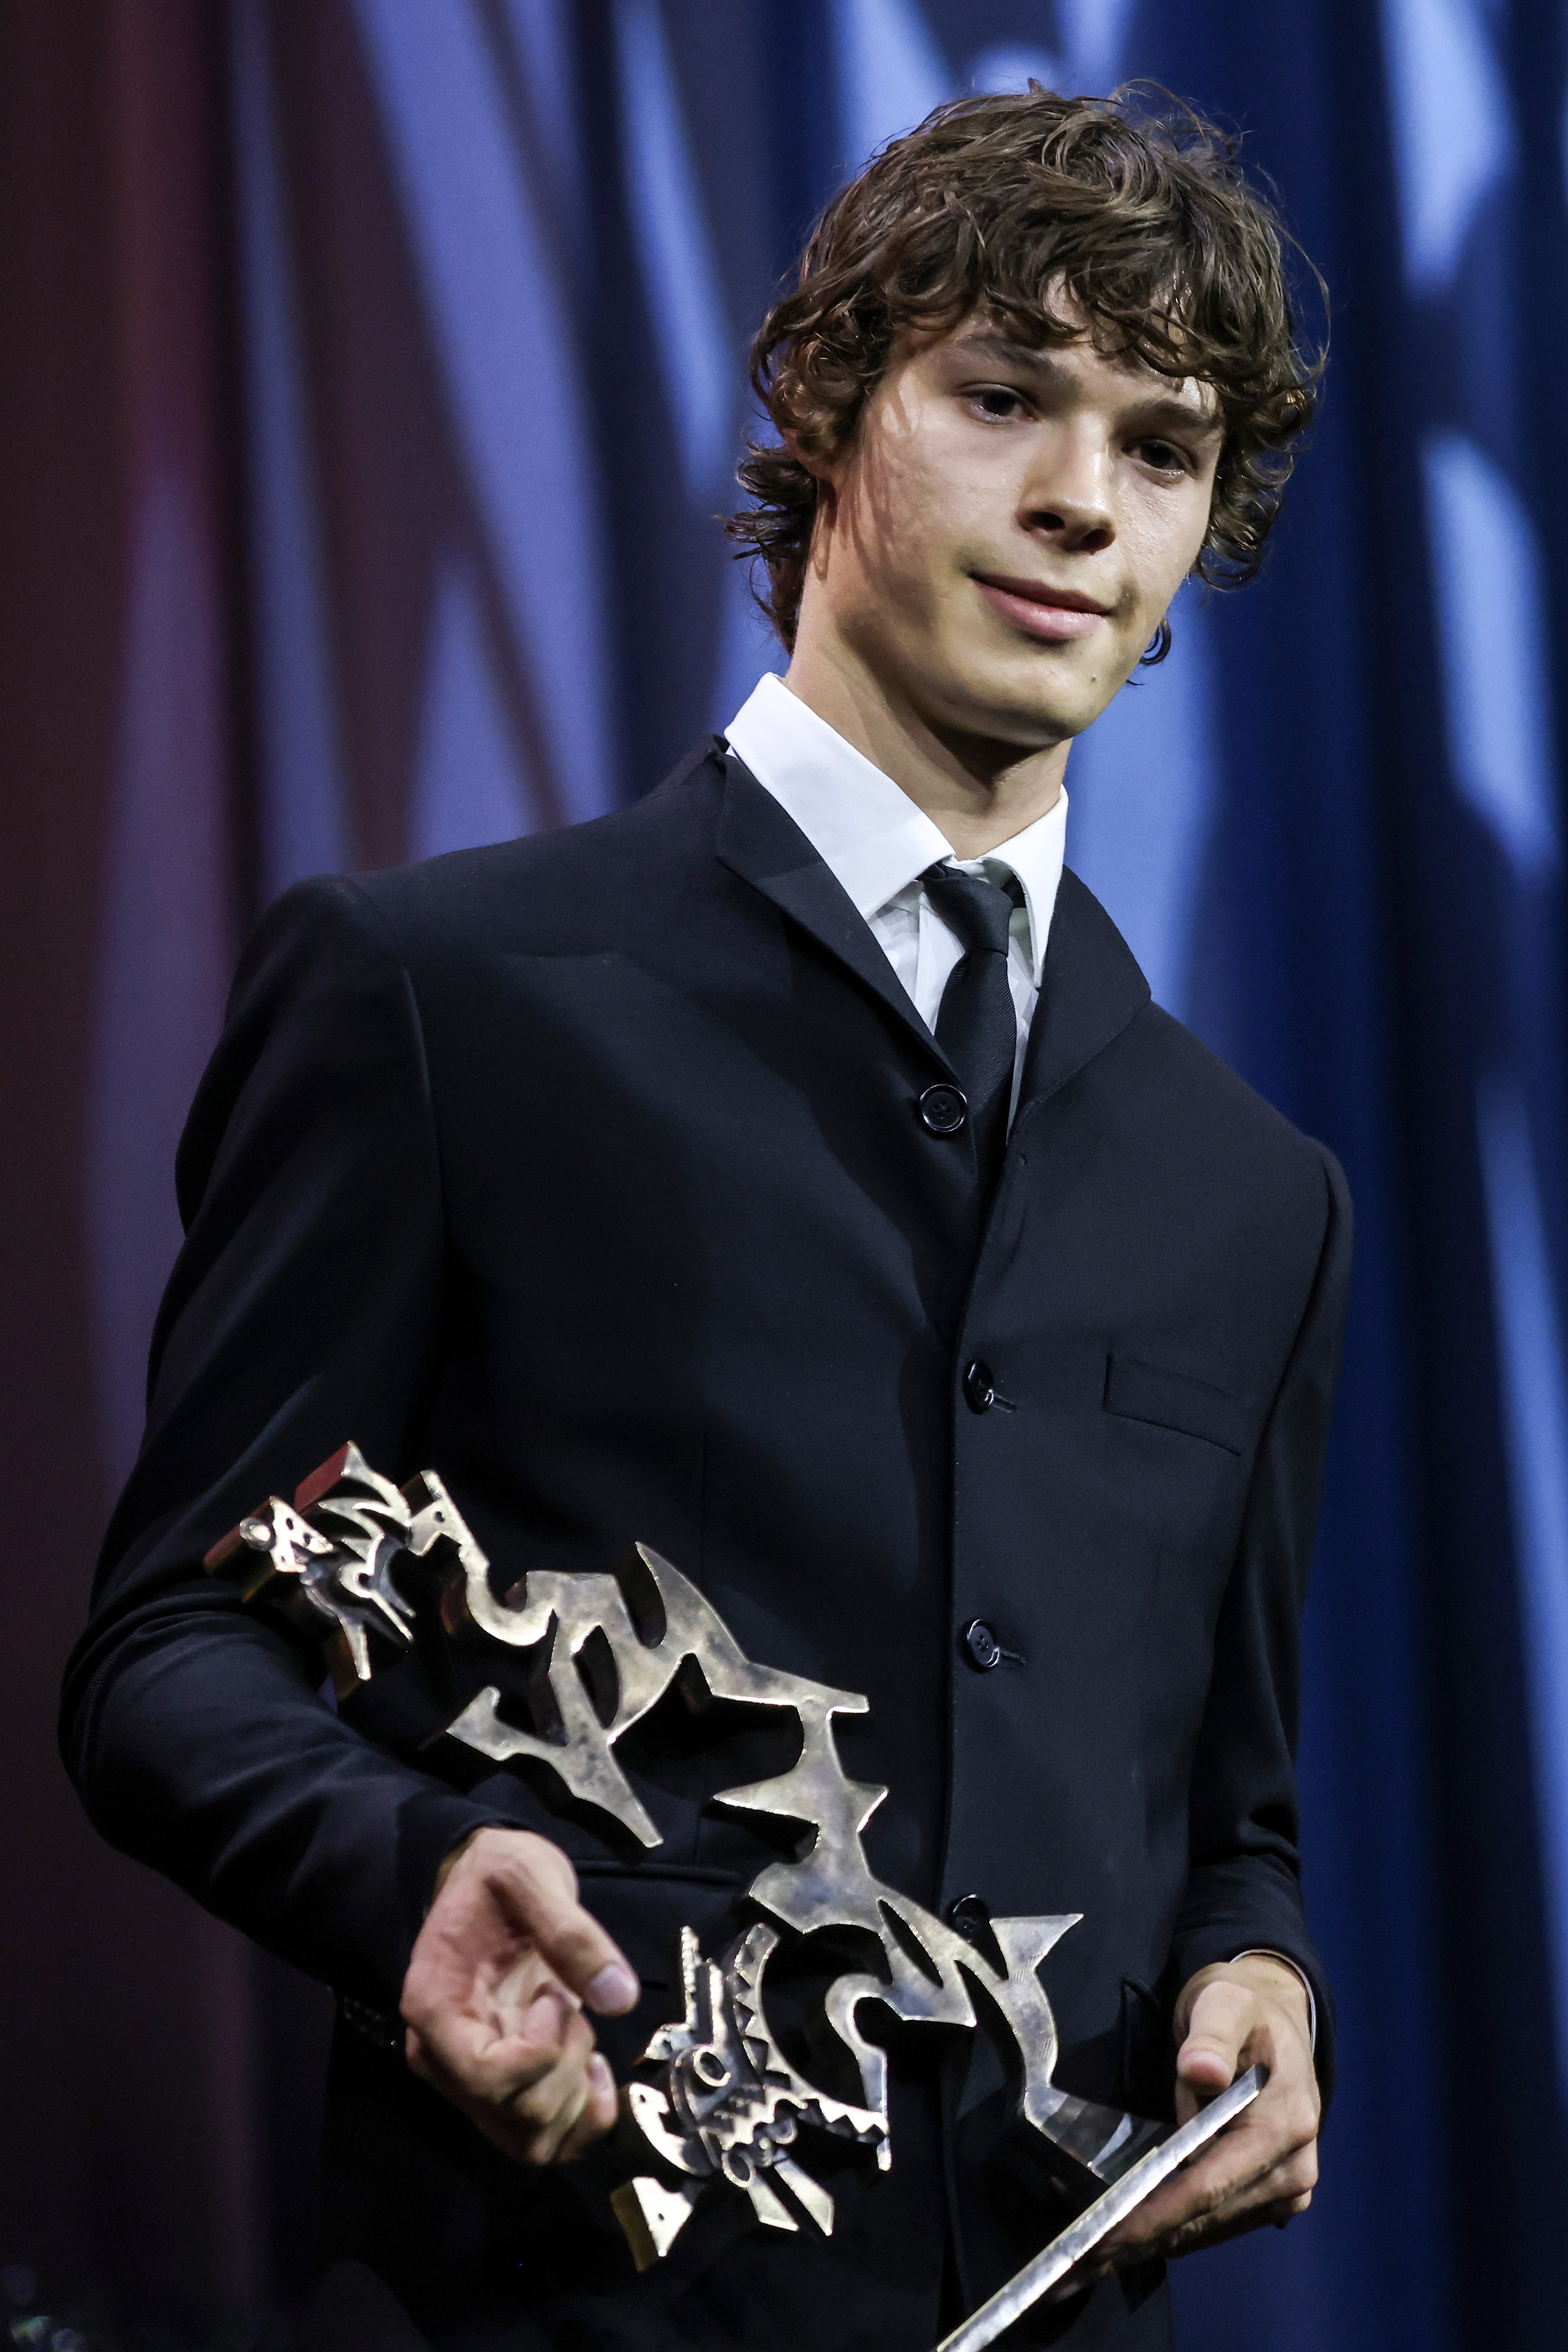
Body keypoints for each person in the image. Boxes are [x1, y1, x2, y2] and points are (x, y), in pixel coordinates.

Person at [61, 86, 1346, 2352]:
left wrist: (1257, 1960)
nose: (1081, 498)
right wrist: (407, 1878)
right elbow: (173, 1646)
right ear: (832, 415)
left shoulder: (1256, 1195)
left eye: (1164, 449)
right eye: (1002, 395)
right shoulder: (441, 992)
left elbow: (1228, 1797)